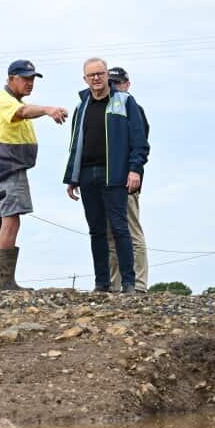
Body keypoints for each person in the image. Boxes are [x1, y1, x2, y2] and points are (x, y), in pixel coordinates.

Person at [0, 60, 69, 291]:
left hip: (7, 169)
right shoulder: (5, 101)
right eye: (25, 78)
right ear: (11, 78)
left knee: (8, 222)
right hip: (6, 169)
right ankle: (4, 281)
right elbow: (23, 112)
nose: (30, 83)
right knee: (11, 221)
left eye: (32, 79)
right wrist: (48, 110)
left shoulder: (10, 101)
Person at [62, 58, 149, 293]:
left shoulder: (125, 102)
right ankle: (102, 283)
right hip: (88, 174)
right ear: (85, 79)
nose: (96, 78)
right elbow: (75, 143)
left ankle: (130, 283)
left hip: (116, 174)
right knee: (96, 231)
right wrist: (72, 176)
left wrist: (135, 169)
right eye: (91, 75)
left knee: (121, 229)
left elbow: (139, 140)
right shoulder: (82, 107)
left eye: (100, 73)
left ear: (106, 75)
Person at [105, 66, 150, 293]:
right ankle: (114, 284)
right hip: (108, 181)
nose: (114, 87)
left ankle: (139, 284)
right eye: (110, 82)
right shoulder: (108, 110)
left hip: (128, 180)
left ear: (127, 84)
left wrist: (135, 171)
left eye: (118, 82)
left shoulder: (134, 109)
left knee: (131, 230)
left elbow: (140, 145)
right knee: (111, 234)